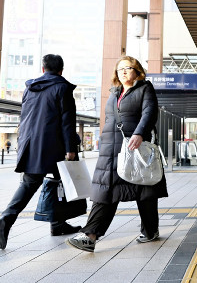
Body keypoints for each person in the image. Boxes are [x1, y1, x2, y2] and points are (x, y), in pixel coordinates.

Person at [66, 56, 167, 252]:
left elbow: (150, 112)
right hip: (110, 150)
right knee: (106, 190)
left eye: (128, 68)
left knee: (144, 189)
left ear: (137, 71)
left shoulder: (145, 89)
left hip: (134, 146)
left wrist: (138, 133)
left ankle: (150, 231)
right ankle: (90, 235)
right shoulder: (114, 93)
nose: (123, 72)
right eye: (120, 69)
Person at [0, 54, 81, 250]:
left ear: (43, 69)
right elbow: (67, 122)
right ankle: (8, 219)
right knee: (63, 182)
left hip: (31, 144)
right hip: (55, 146)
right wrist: (71, 149)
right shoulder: (62, 88)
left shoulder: (31, 88)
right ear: (61, 70)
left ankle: (55, 223)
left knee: (31, 184)